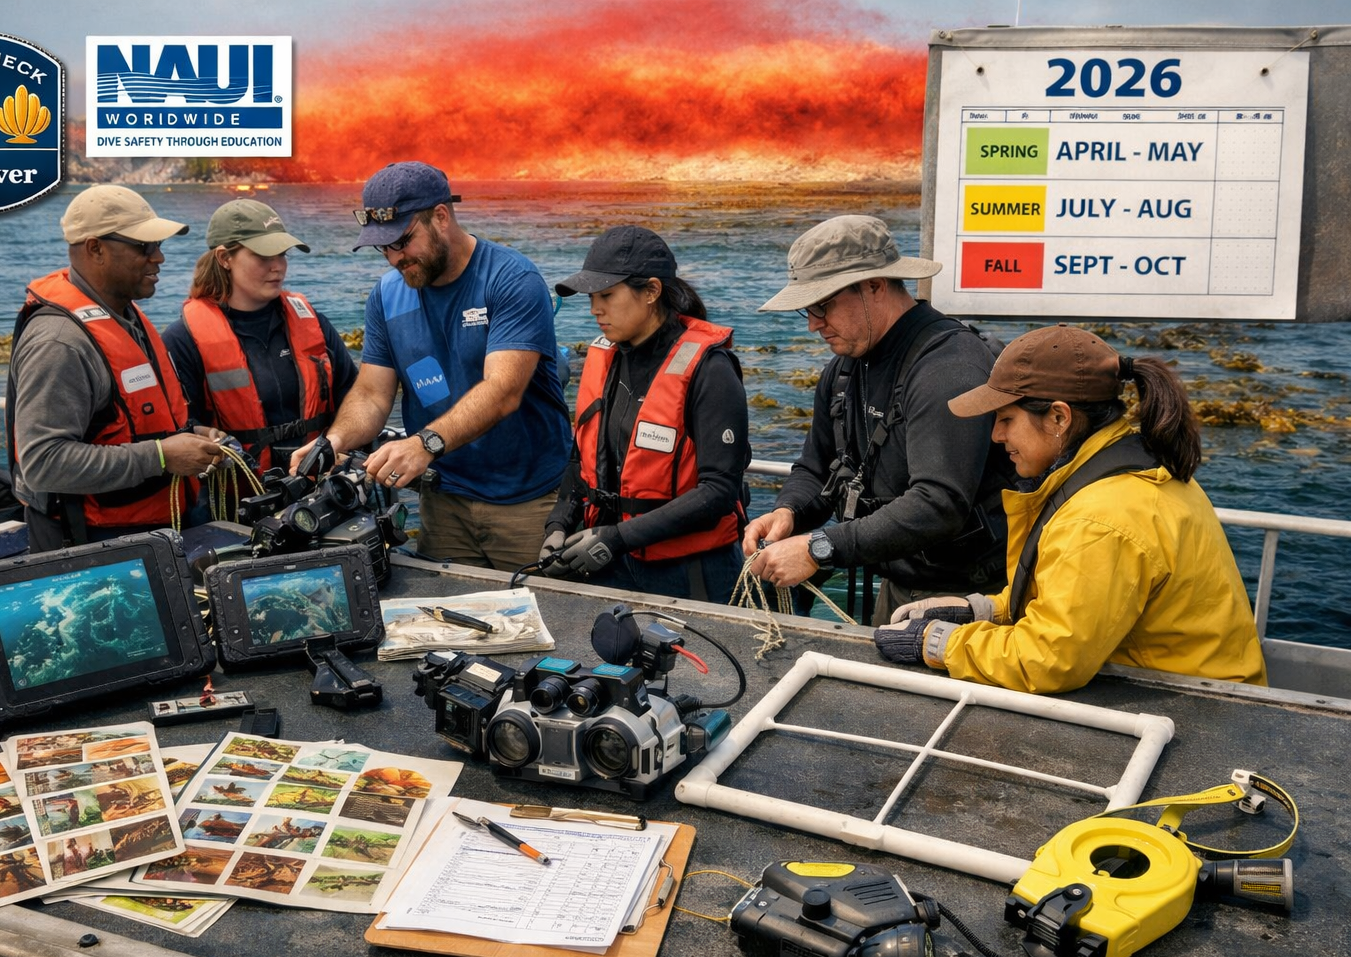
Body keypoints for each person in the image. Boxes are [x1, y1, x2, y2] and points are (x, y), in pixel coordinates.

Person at [872, 326, 1267, 692]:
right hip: (1197, 688)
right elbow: (1077, 603)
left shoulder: (1099, 517)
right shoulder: (1130, 466)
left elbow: (1048, 661)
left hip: (1191, 707)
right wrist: (984, 609)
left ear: (1059, 416)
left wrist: (940, 643)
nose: (996, 435)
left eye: (1007, 419)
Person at [301, 161, 571, 572]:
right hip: (443, 502)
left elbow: (503, 391)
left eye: (403, 241)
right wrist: (334, 442)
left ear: (441, 217)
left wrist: (422, 444)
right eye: (383, 247)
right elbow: (373, 393)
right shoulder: (387, 296)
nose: (394, 258)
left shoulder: (512, 278)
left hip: (527, 502)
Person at [744, 215, 1014, 624]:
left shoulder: (949, 367)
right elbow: (817, 468)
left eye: (823, 304)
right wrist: (790, 512)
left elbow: (939, 504)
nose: (815, 323)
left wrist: (819, 548)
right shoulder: (845, 368)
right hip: (897, 586)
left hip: (971, 599)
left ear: (874, 285)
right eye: (807, 309)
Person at [7, 185, 225, 551]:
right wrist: (161, 456)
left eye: (159, 245)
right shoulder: (59, 342)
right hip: (95, 549)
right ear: (95, 248)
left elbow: (124, 422)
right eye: (144, 246)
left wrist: (190, 434)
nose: (159, 258)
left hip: (151, 535)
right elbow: (43, 462)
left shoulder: (123, 315)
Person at [538, 225, 750, 602]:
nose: (594, 309)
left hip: (691, 572)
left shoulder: (710, 369)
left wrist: (617, 538)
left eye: (606, 295)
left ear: (651, 291)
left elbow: (719, 491)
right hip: (608, 561)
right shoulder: (604, 358)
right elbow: (580, 460)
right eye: (591, 297)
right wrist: (558, 525)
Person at [162, 199, 358, 473]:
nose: (278, 266)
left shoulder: (313, 322)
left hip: (319, 490)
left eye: (283, 254)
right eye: (265, 256)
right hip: (237, 498)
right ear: (224, 258)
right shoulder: (182, 340)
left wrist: (340, 442)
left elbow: (354, 395)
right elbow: (177, 427)